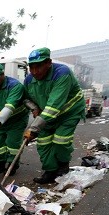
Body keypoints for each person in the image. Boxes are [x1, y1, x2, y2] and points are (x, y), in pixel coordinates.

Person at [23, 47, 86, 184]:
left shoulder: (62, 73)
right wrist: (34, 108)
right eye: (31, 67)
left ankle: (63, 165)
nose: (34, 72)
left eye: (38, 66)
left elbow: (54, 106)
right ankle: (50, 172)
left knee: (61, 140)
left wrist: (33, 129)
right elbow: (26, 98)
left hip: (69, 112)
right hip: (46, 115)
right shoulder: (29, 80)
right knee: (43, 142)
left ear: (49, 63)